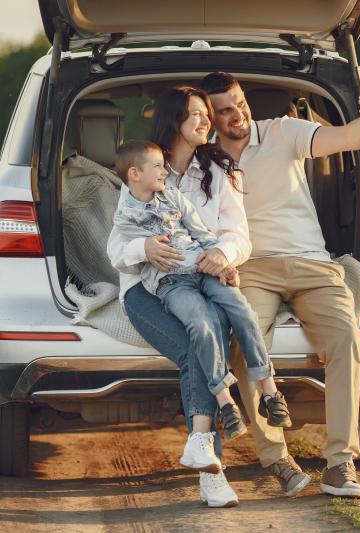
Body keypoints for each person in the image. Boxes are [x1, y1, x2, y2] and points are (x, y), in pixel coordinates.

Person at [107, 87, 310, 508]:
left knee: (214, 327)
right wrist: (142, 250)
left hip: (204, 272)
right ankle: (211, 470)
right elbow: (117, 248)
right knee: (197, 345)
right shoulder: (146, 168)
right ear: (173, 121)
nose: (206, 121)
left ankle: (206, 454)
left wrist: (223, 254)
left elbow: (238, 235)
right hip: (148, 287)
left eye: (206, 114)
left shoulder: (220, 170)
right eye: (196, 114)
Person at [200, 71, 360, 499]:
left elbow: (350, 137)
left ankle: (340, 463)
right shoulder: (202, 161)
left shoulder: (283, 131)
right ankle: (278, 461)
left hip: (312, 265)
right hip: (251, 269)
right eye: (224, 110)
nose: (238, 115)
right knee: (247, 345)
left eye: (240, 103)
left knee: (345, 337)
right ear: (209, 117)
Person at [111, 138, 292, 443]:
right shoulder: (125, 218)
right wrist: (143, 248)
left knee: (242, 311)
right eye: (157, 166)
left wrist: (223, 262)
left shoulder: (173, 197)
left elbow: (202, 234)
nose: (164, 173)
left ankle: (270, 391)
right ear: (134, 174)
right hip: (171, 283)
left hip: (204, 269)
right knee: (201, 324)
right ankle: (225, 401)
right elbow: (127, 255)